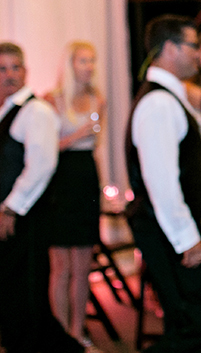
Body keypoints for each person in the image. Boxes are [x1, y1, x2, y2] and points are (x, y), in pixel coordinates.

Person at [125, 16, 201, 353]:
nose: (198, 54)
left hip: (168, 230)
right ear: (170, 48)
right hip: (166, 232)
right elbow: (162, 182)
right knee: (199, 322)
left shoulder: (169, 97)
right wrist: (186, 239)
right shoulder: (158, 103)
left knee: (188, 321)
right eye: (193, 46)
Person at [0, 42, 86, 353]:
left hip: (27, 218)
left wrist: (11, 209)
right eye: (2, 69)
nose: (10, 74)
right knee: (12, 292)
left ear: (26, 71)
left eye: (15, 67)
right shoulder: (6, 111)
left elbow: (42, 165)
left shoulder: (36, 110)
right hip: (11, 217)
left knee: (26, 293)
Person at [45, 42, 106, 345]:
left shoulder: (99, 99)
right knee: (61, 267)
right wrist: (76, 135)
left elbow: (95, 145)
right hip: (60, 179)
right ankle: (59, 336)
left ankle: (77, 331)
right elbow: (45, 149)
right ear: (70, 65)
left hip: (85, 178)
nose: (89, 66)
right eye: (83, 61)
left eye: (92, 60)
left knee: (83, 267)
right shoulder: (51, 99)